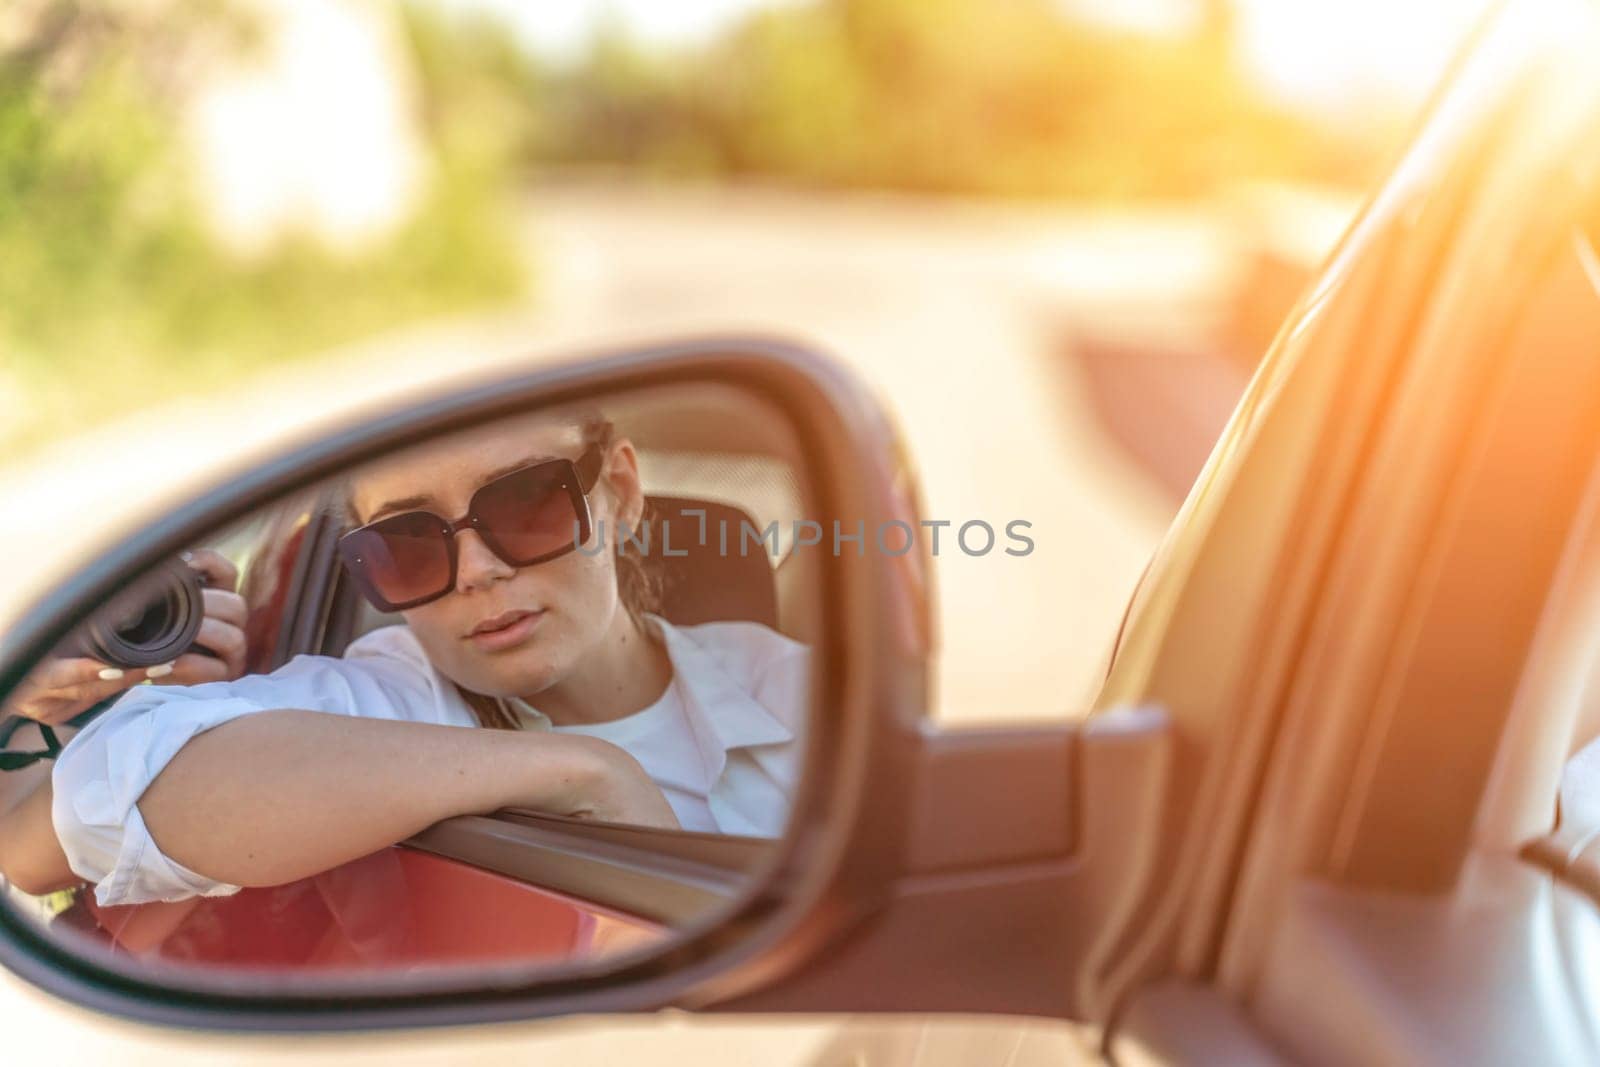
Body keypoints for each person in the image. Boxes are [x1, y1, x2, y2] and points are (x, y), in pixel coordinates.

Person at [4, 409, 806, 908]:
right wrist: (586, 771)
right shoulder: (396, 698)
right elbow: (43, 836)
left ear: (621, 494)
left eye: (526, 502)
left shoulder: (799, 691)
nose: (480, 570)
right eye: (407, 544)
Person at [0, 550, 249, 897]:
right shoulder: (26, 740)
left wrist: (208, 693)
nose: (122, 613)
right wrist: (12, 694)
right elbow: (25, 860)